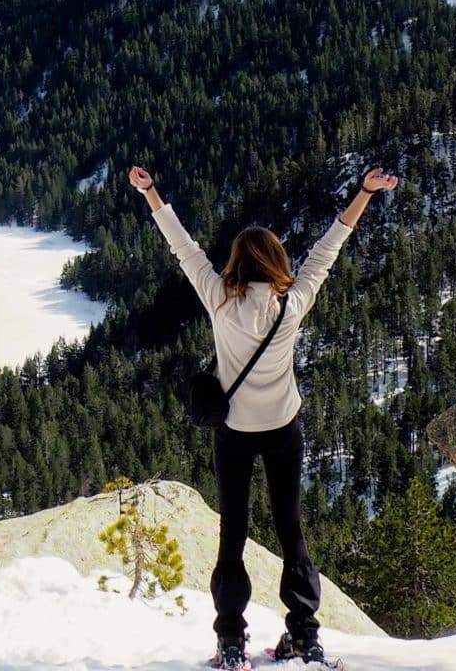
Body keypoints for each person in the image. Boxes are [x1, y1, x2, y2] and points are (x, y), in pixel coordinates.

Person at [127, 162, 398, 670]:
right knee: (290, 530)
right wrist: (364, 191)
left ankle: (231, 643)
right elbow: (329, 248)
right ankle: (304, 636)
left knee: (232, 532)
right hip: (282, 430)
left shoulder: (219, 302)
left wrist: (151, 194)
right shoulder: (290, 304)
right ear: (275, 262)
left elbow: (182, 248)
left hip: (234, 433)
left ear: (235, 263)